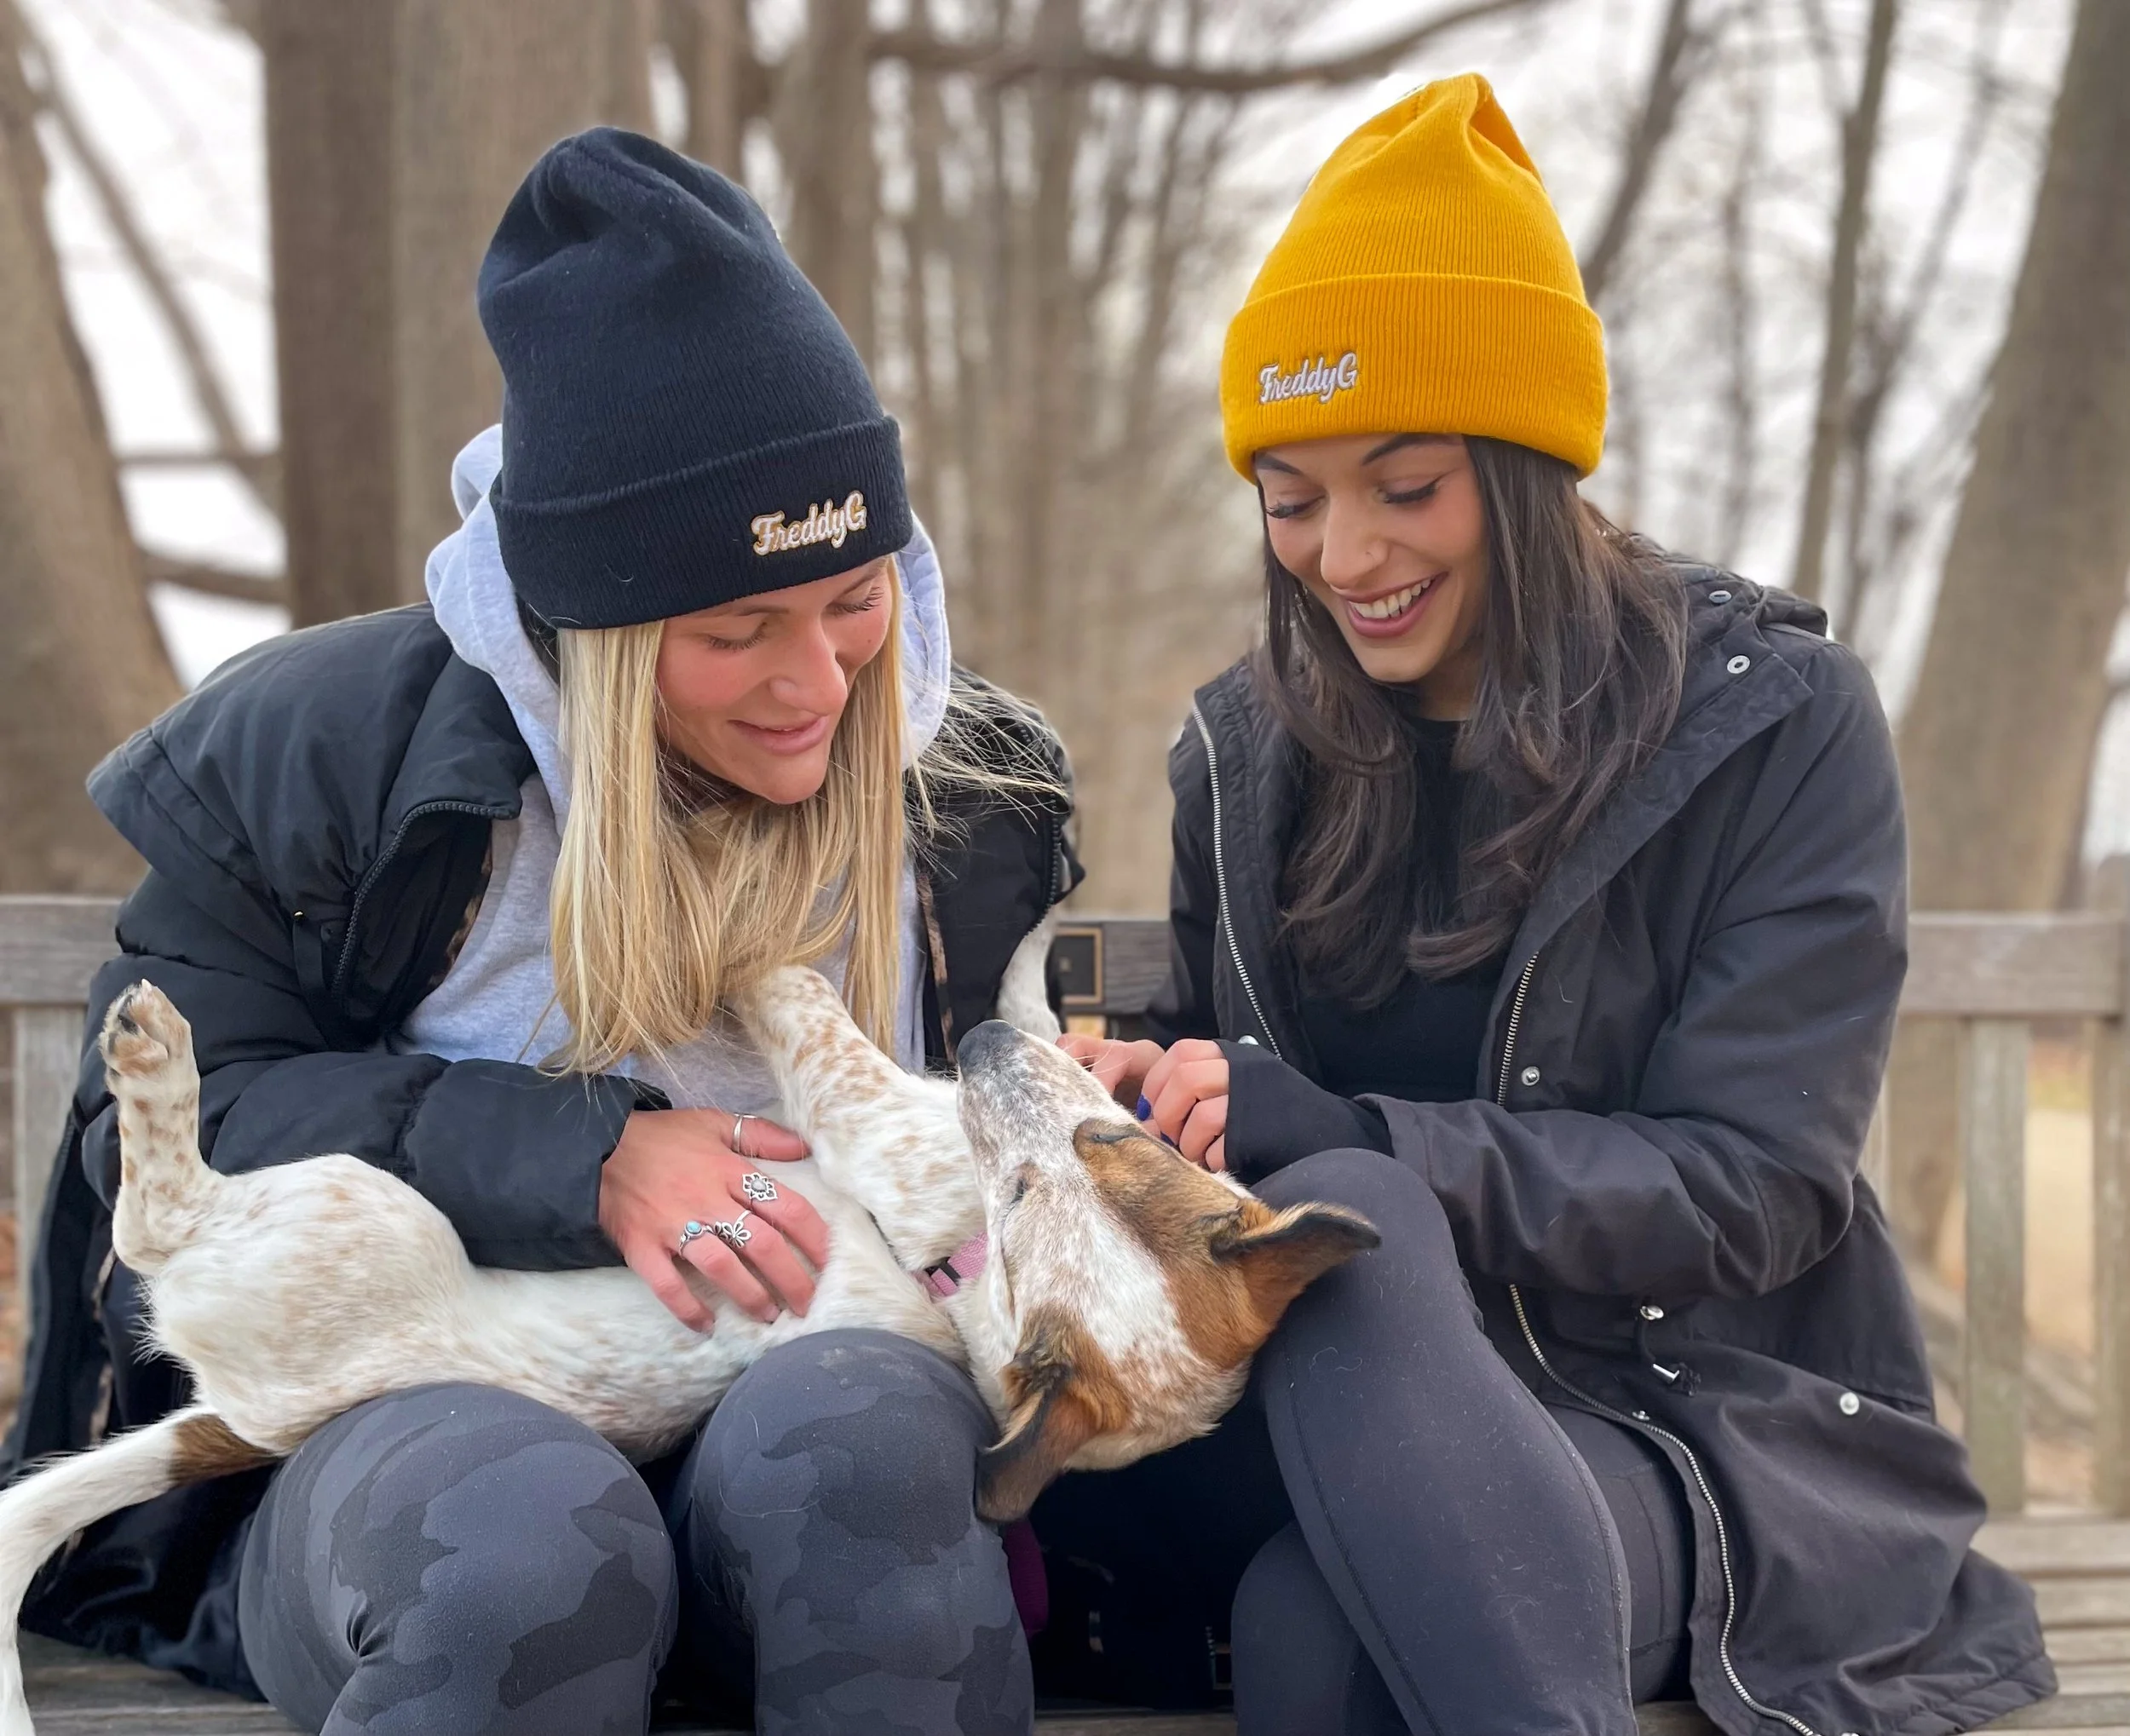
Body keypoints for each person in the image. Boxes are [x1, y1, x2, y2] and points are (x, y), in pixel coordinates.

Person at [7, 131, 1078, 1734]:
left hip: (796, 1413)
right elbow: (176, 1125)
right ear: (596, 630)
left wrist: (1097, 1112)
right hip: (395, 1425)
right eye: (738, 630)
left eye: (858, 594)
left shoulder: (971, 799)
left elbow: (1001, 1177)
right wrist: (581, 1152)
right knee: (522, 1555)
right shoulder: (338, 762)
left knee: (868, 1472)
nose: (822, 683)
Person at [1052, 75, 2054, 1736]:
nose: (1343, 549)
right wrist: (1162, 1111)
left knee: (1324, 1618)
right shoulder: (1246, 754)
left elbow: (1754, 1184)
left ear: (1522, 462)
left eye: (1404, 483)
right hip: (1339, 1412)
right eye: (1290, 496)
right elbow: (1245, 1125)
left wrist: (1350, 1135)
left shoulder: (1767, 724)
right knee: (1289, 1542)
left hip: (1690, 1416)